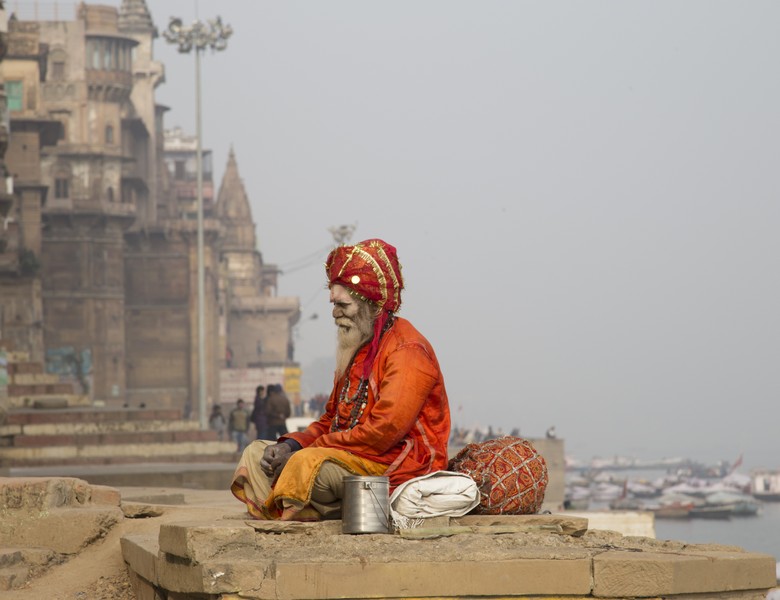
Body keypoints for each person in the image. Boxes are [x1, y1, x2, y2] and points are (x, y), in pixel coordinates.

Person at [231, 238, 450, 521]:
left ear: (372, 304)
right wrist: (291, 445)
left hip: (397, 466)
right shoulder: (357, 350)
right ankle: (298, 506)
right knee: (256, 453)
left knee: (306, 464)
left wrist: (307, 452)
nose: (335, 313)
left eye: (343, 305)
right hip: (348, 456)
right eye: (334, 304)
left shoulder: (407, 351)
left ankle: (310, 506)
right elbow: (330, 420)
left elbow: (382, 433)